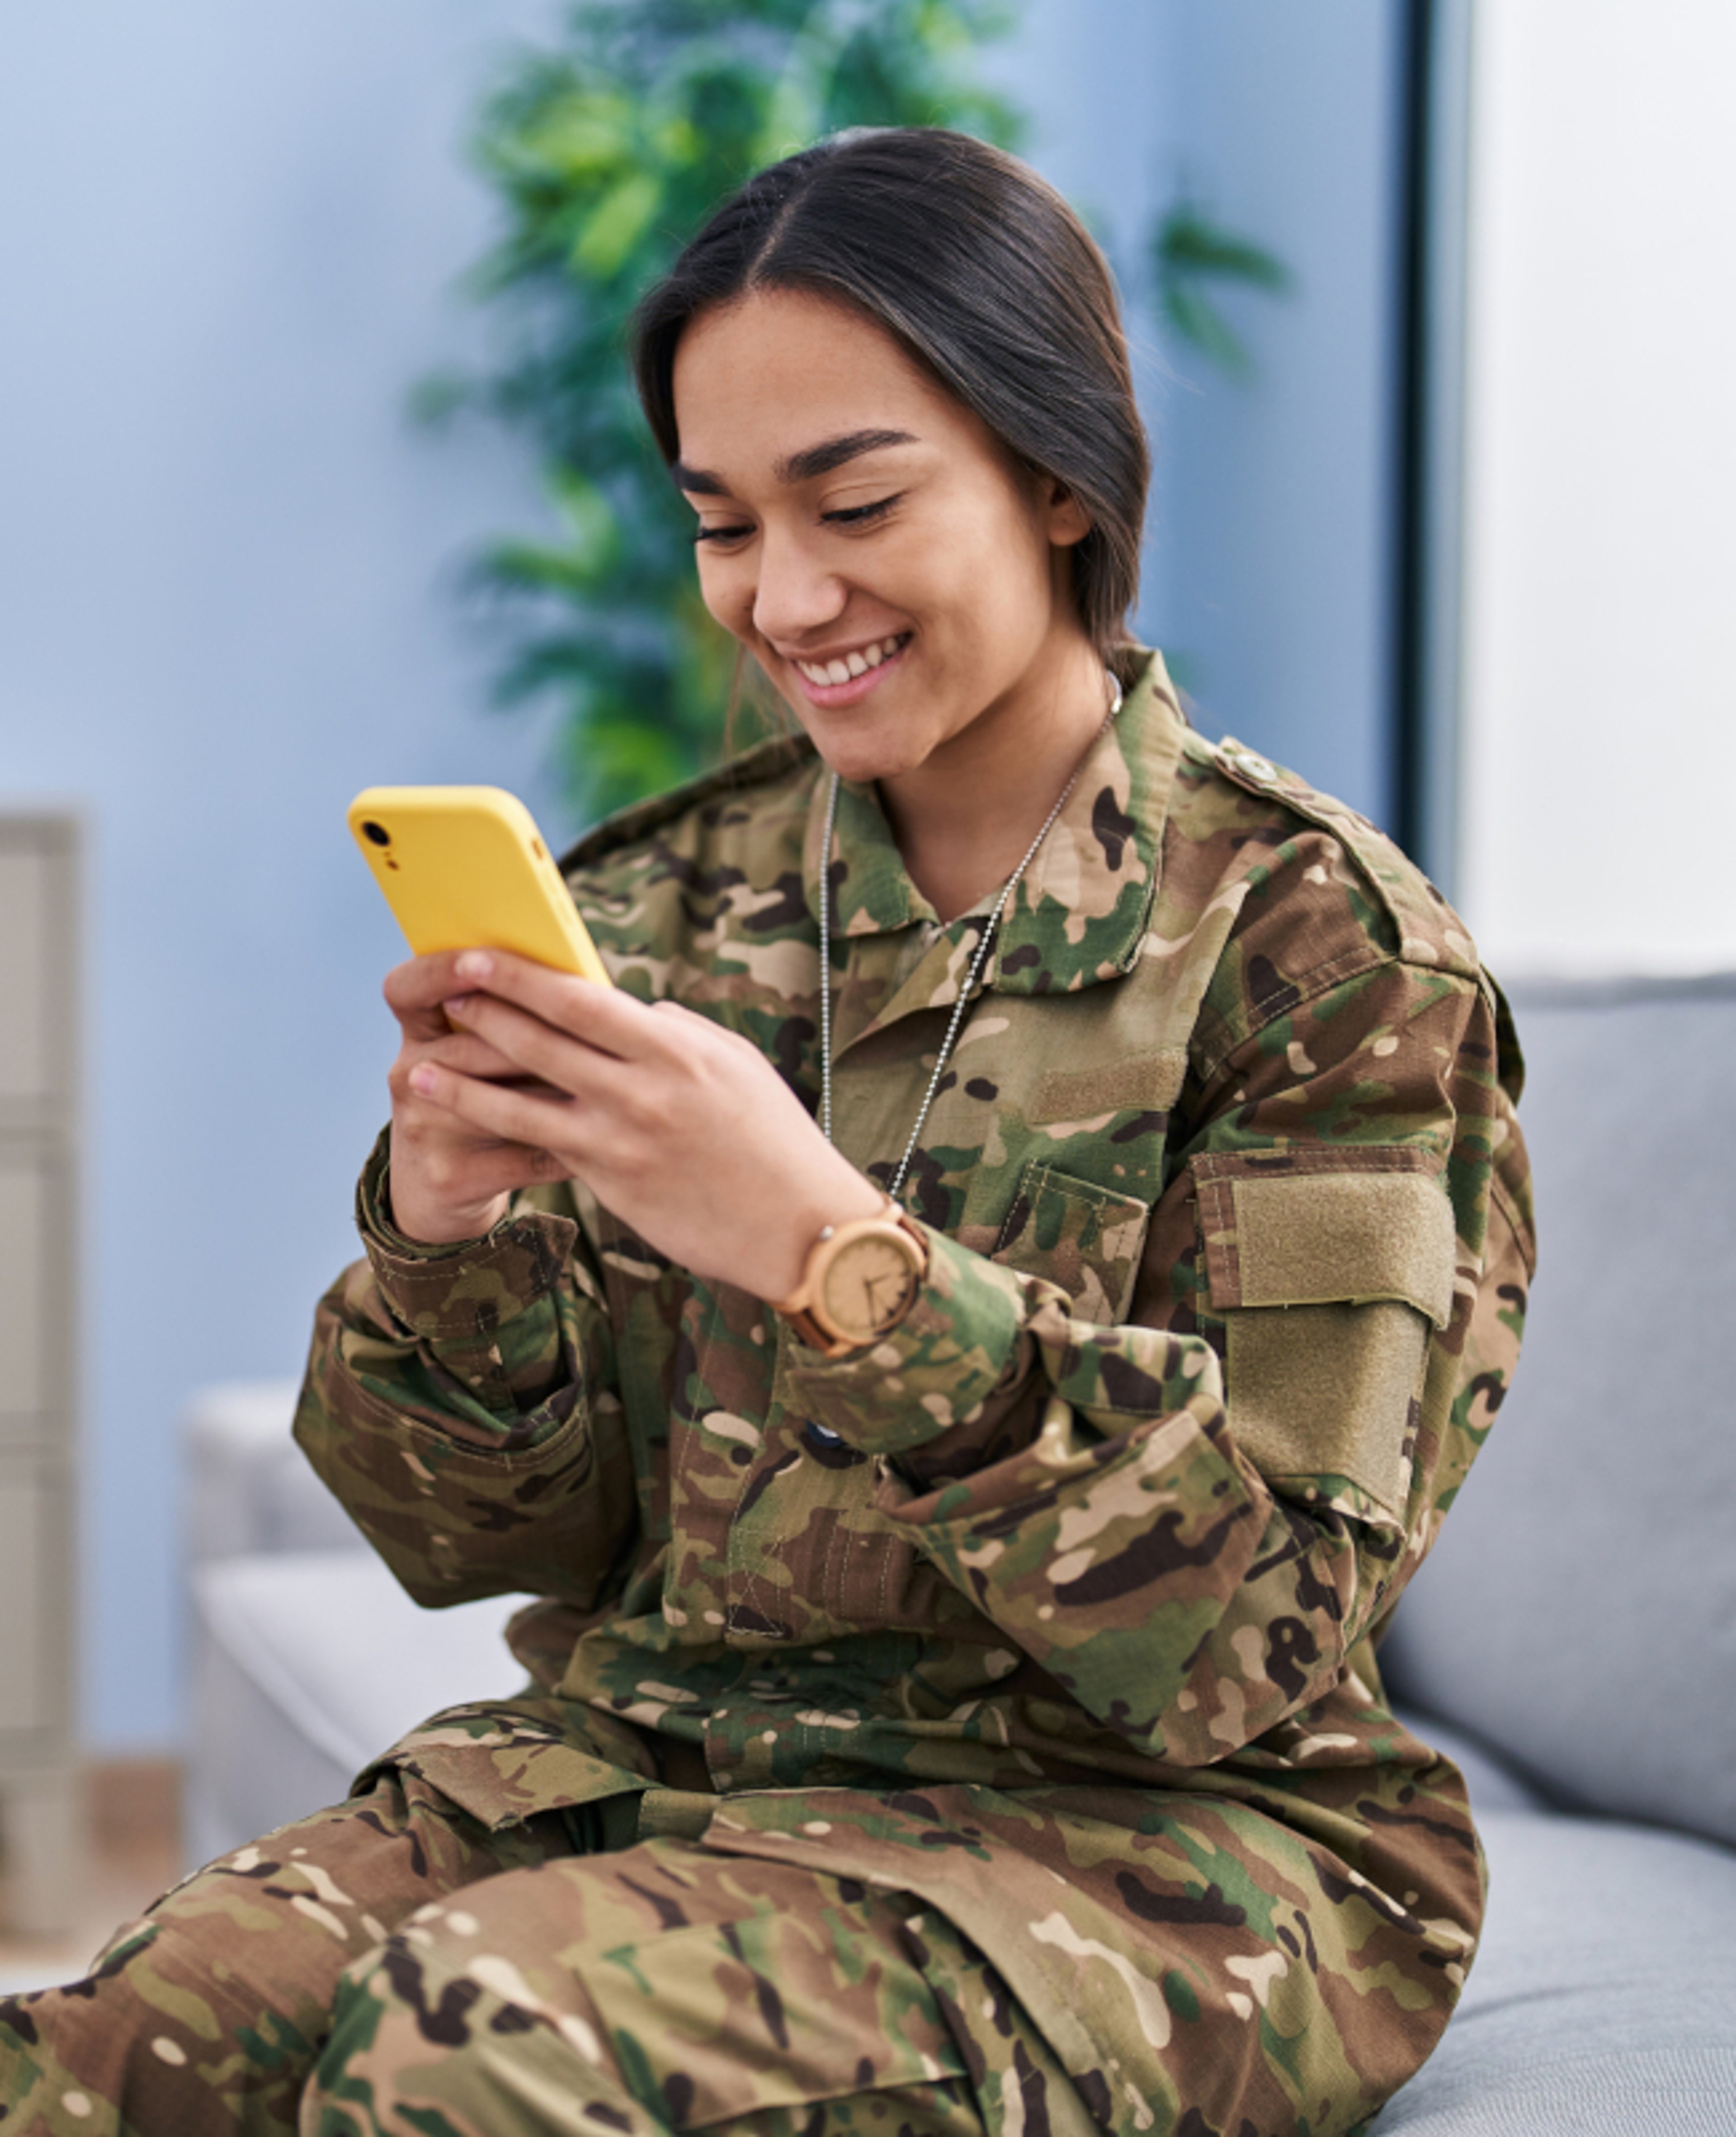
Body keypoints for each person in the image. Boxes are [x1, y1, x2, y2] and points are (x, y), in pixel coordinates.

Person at [0, 128, 1533, 2137]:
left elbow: (1248, 1644)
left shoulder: (1323, 955)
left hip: (1161, 1847)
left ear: (1059, 476)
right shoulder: (662, 916)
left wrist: (833, 1256)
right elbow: (469, 1546)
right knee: (91, 2064)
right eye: (722, 523)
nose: (783, 596)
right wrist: (443, 1242)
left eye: (858, 501)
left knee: (474, 2053)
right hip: (673, 1767)